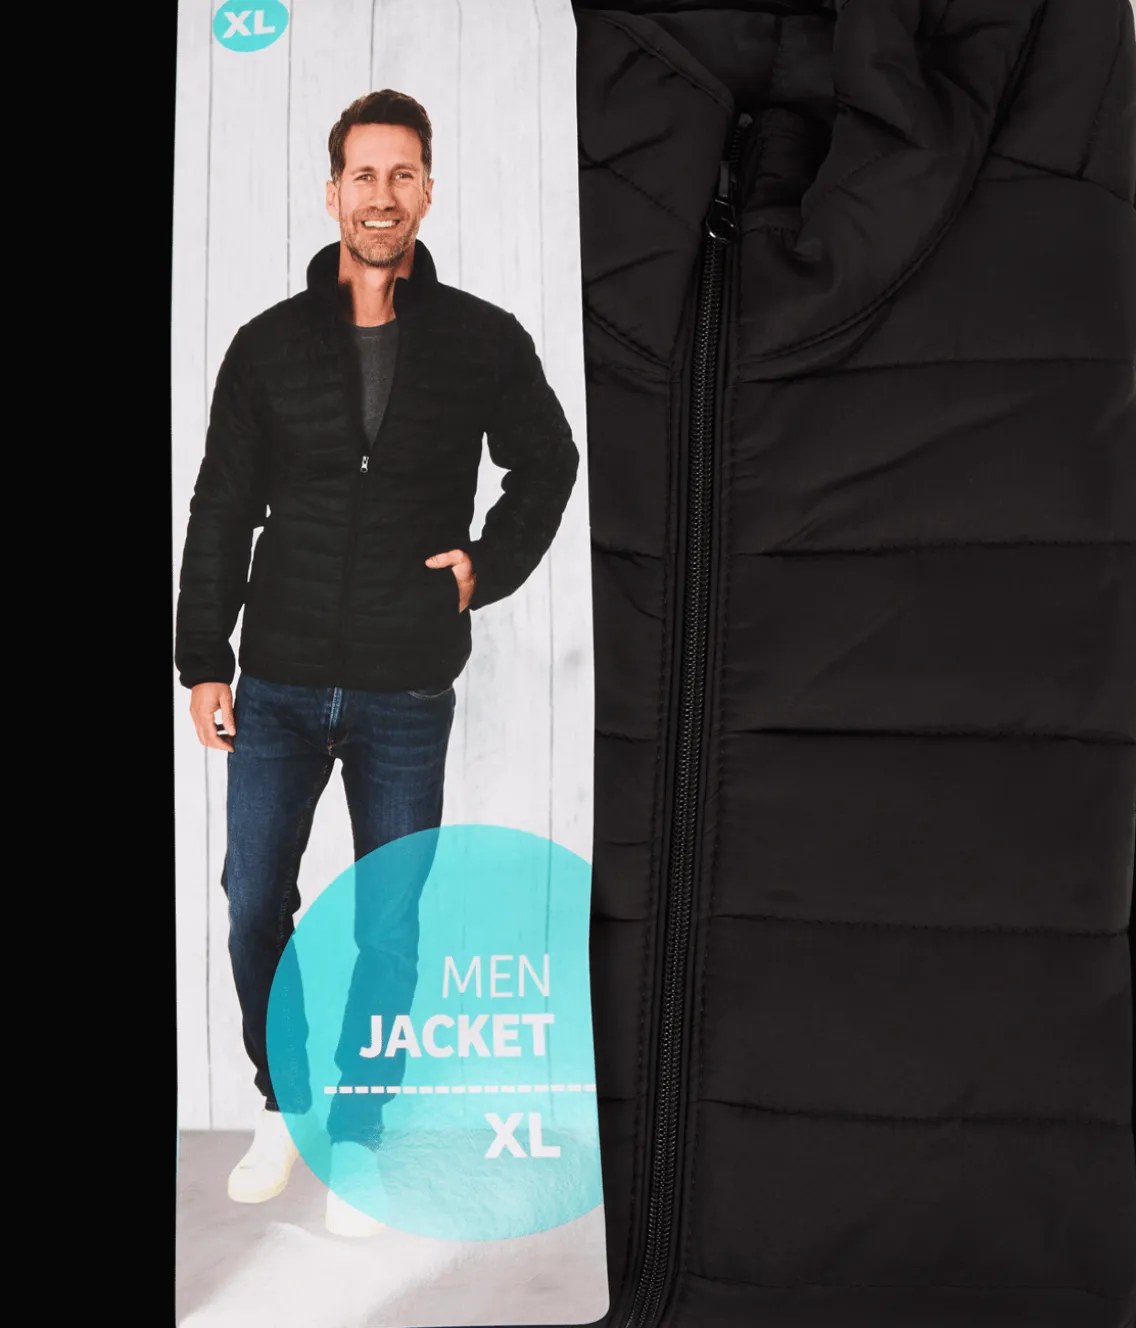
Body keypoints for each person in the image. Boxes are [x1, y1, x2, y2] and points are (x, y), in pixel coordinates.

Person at [175, 89, 579, 1236]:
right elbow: (221, 505)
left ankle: (355, 1133)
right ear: (332, 192)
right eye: (364, 174)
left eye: (403, 174)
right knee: (254, 900)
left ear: (428, 192)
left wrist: (481, 568)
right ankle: (285, 1099)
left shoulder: (481, 339)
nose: (382, 196)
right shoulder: (269, 345)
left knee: (388, 920)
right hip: (279, 677)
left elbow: (548, 460)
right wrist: (203, 657)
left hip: (406, 685)